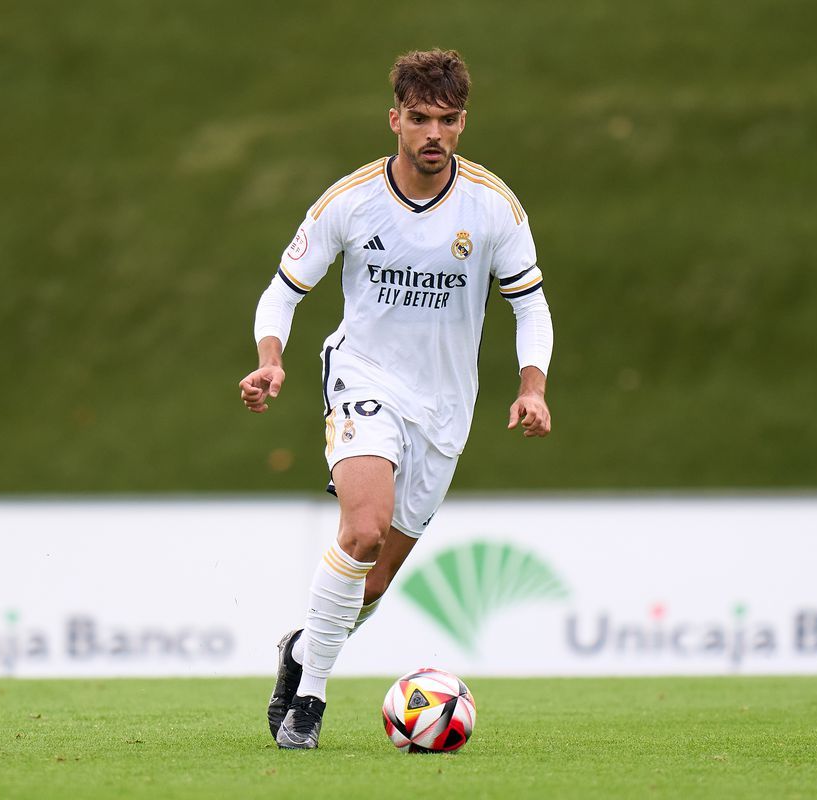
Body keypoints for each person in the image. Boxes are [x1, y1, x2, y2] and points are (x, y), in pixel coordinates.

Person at [239, 48, 553, 750]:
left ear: (463, 122)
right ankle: (310, 703)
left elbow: (530, 306)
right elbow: (282, 291)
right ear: (395, 120)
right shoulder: (351, 201)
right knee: (363, 528)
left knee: (372, 585)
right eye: (419, 119)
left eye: (446, 120)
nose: (433, 134)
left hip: (446, 409)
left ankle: (299, 653)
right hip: (365, 378)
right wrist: (270, 361)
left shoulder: (492, 207)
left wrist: (531, 386)